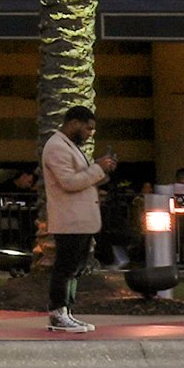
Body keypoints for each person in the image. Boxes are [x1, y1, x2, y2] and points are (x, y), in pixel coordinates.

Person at [37, 106, 106, 334]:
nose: (89, 134)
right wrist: (98, 169)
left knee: (75, 268)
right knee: (65, 267)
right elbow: (68, 182)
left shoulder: (69, 146)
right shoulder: (57, 147)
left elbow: (80, 180)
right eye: (88, 128)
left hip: (80, 219)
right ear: (74, 122)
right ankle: (58, 312)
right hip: (70, 219)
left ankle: (66, 311)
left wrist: (100, 172)